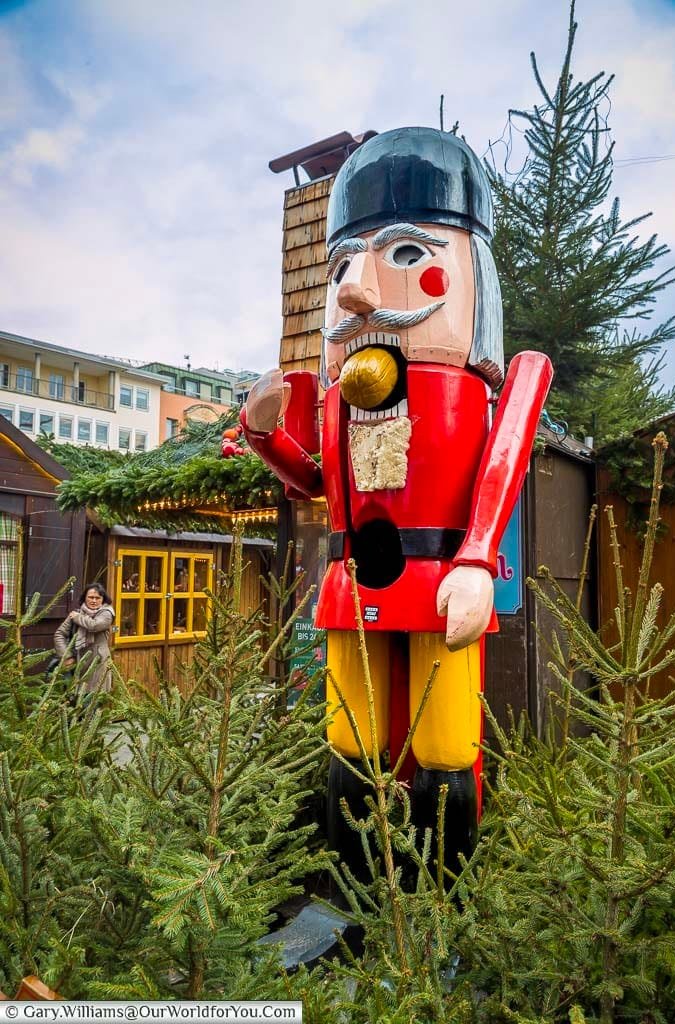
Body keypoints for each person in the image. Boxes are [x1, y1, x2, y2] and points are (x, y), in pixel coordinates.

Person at [240, 127, 553, 874]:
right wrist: (263, 439)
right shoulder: (340, 396)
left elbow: (499, 465)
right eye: (344, 264)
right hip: (352, 581)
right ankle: (351, 881)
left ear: (472, 273)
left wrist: (476, 558)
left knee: (444, 739)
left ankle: (437, 888)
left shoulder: (490, 383)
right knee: (350, 735)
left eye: (409, 255)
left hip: (440, 577)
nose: (355, 289)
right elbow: (318, 482)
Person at [54, 582, 115, 695]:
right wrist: (66, 656)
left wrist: (78, 618)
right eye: (90, 597)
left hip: (98, 664)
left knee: (94, 701)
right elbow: (59, 634)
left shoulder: (107, 613)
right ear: (84, 598)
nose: (94, 601)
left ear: (103, 599)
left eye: (98, 598)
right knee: (76, 704)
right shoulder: (76, 613)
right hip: (78, 664)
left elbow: (95, 625)